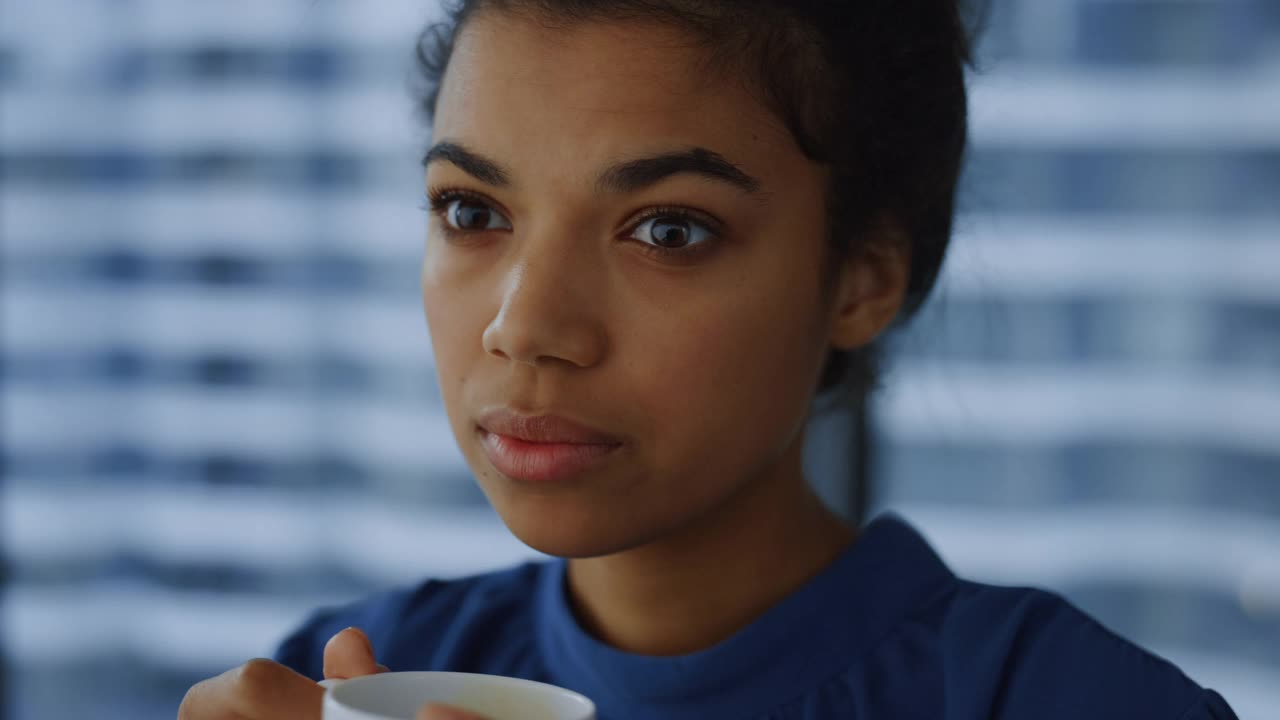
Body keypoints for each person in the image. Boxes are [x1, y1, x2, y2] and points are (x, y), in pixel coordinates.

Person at [178, 1, 1240, 718]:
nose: (527, 324)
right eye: (471, 210)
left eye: (667, 230)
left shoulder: (1055, 699)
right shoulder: (349, 674)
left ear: (861, 279)